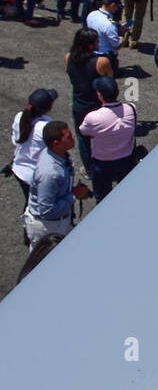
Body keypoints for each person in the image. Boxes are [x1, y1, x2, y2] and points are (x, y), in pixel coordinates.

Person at [24, 120, 92, 247]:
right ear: (56, 143)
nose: (73, 137)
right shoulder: (49, 173)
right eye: (68, 136)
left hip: (60, 221)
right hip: (48, 226)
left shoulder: (60, 155)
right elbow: (47, 210)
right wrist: (74, 196)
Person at [78, 76, 138, 202]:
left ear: (99, 95)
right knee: (127, 195)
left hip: (103, 164)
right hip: (126, 160)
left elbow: (83, 131)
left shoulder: (93, 117)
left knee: (102, 198)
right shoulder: (132, 109)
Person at [65, 27, 113, 173]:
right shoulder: (101, 62)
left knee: (83, 139)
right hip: (98, 106)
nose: (99, 42)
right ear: (90, 45)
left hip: (79, 104)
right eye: (96, 41)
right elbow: (110, 82)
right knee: (104, 137)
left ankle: (89, 170)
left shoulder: (68, 58)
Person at [10, 89, 57, 218]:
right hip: (34, 175)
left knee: (30, 201)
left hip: (19, 169)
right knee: (35, 206)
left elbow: (15, 140)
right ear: (49, 108)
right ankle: (31, 230)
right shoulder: (46, 126)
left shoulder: (20, 116)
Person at [87, 0, 125, 74]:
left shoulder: (92, 14)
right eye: (117, 7)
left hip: (92, 54)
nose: (117, 9)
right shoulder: (109, 25)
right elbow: (117, 46)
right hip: (107, 58)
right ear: (113, 5)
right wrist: (122, 34)